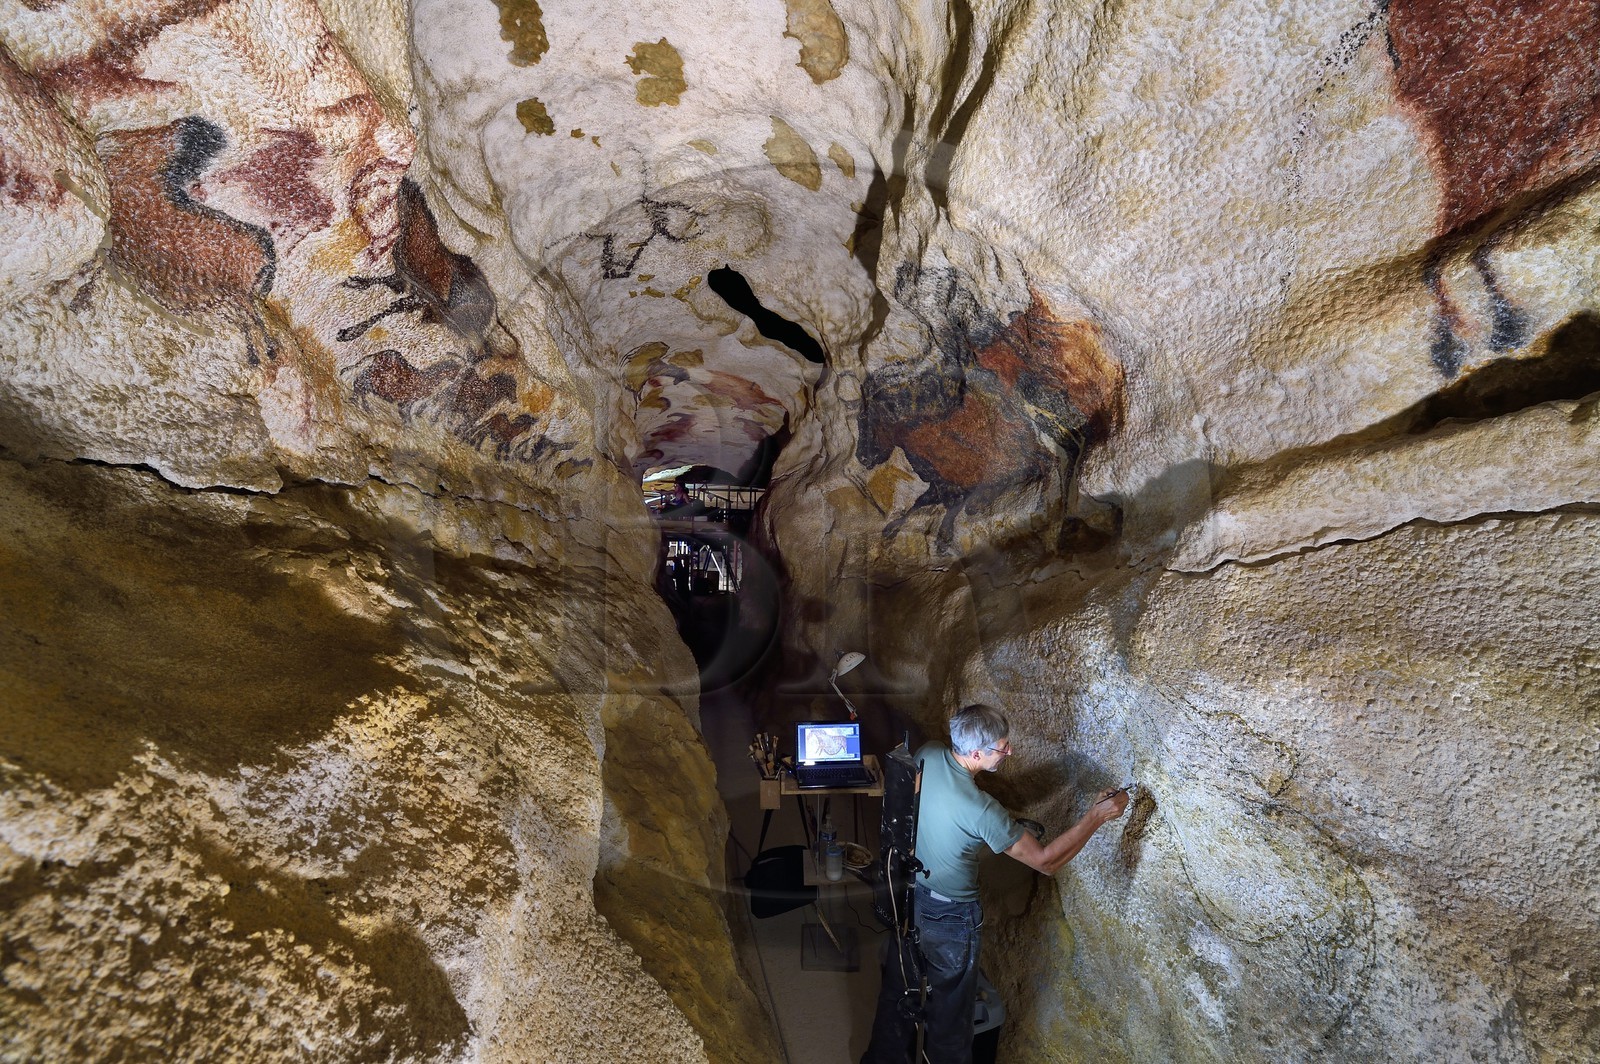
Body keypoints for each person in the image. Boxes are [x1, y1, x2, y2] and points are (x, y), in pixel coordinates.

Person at [862, 704, 1129, 1064]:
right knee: (951, 1021)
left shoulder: (929, 752)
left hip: (910, 897)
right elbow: (1046, 862)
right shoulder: (983, 810)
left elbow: (916, 805)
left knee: (898, 992)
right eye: (1003, 747)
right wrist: (1097, 815)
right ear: (976, 753)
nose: (1010, 752)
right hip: (951, 919)